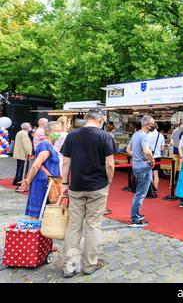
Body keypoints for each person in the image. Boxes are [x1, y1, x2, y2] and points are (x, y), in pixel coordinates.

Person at [60, 109, 115, 278]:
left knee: (74, 226)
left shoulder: (72, 136)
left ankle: (69, 266)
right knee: (92, 225)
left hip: (76, 186)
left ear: (86, 119)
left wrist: (64, 183)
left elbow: (66, 162)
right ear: (101, 120)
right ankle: (89, 264)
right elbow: (110, 165)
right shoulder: (105, 136)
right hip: (98, 187)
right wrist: (109, 181)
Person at [18, 121, 62, 220]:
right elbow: (36, 165)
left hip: (48, 182)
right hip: (43, 183)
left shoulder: (49, 145)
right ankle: (36, 233)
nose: (59, 133)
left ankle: (40, 232)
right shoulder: (45, 145)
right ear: (49, 132)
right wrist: (28, 180)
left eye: (60, 131)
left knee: (44, 211)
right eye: (57, 131)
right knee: (39, 213)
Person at [127, 116, 156, 227]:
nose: (154, 126)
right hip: (144, 167)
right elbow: (147, 151)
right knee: (140, 194)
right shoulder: (144, 136)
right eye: (152, 123)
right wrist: (151, 160)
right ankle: (135, 218)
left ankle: (136, 215)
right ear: (146, 124)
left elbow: (128, 150)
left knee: (139, 193)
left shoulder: (135, 134)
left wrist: (137, 157)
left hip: (136, 166)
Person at [12, 122, 33, 189]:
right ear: (27, 127)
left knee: (19, 168)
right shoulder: (24, 134)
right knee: (23, 169)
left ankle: (16, 181)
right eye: (29, 126)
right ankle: (20, 181)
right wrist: (29, 152)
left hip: (19, 153)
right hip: (23, 154)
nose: (30, 127)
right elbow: (26, 144)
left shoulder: (20, 132)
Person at [147, 122, 165, 196]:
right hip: (157, 156)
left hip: (149, 156)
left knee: (149, 174)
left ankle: (150, 190)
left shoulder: (147, 135)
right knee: (156, 174)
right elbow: (162, 148)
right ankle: (155, 191)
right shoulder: (161, 136)